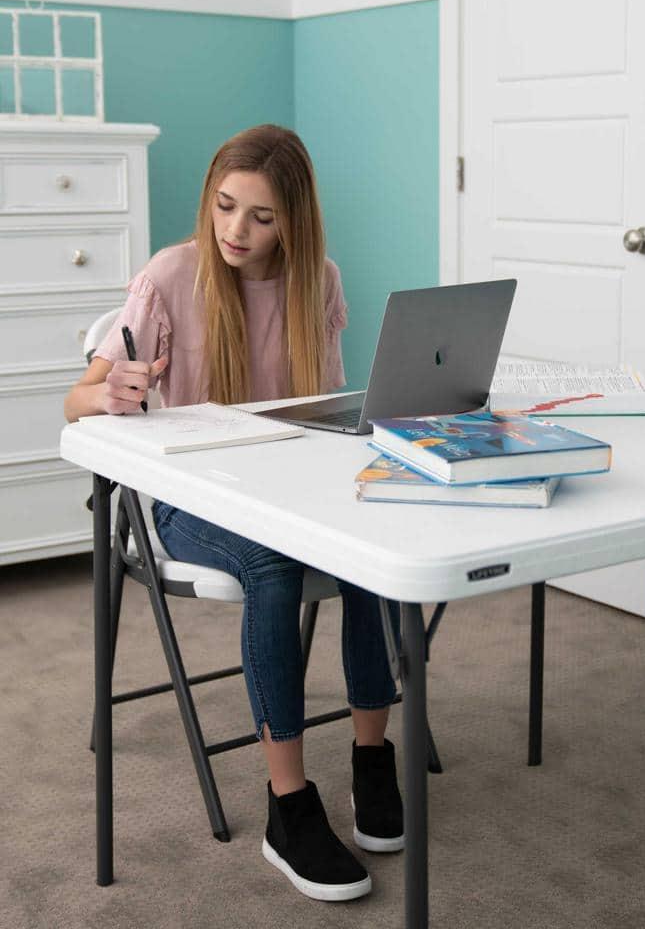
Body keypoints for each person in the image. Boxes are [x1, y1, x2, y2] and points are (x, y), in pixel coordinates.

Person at [64, 124, 402, 903]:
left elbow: (325, 412)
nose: (236, 230)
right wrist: (108, 393)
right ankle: (290, 806)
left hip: (289, 487)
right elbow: (75, 402)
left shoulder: (318, 281)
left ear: (294, 221)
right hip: (188, 503)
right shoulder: (172, 275)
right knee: (271, 566)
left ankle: (372, 759)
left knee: (372, 549)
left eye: (261, 216)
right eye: (224, 206)